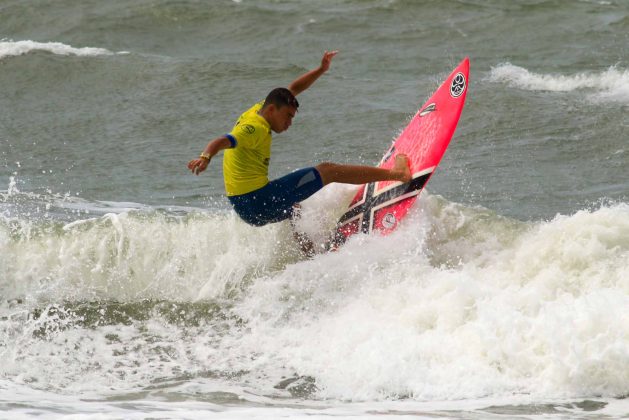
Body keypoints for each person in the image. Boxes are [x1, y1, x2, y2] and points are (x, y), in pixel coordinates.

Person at [188, 51, 411, 229]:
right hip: (258, 200)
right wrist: (206, 156)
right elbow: (223, 140)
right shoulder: (253, 128)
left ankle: (309, 254)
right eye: (288, 116)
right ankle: (398, 174)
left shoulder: (259, 109)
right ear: (273, 109)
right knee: (328, 170)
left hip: (245, 208)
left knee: (293, 208)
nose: (289, 123)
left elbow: (293, 89)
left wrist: (321, 70)